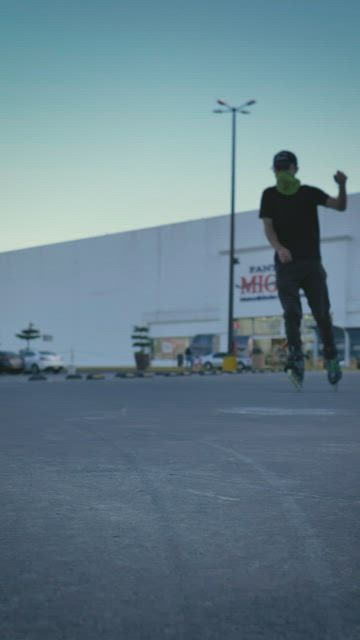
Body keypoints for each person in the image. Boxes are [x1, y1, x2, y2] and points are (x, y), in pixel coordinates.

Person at [259, 150, 347, 389]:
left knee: (321, 313)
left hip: (311, 264)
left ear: (295, 168)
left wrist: (342, 185)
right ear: (274, 171)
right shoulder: (269, 195)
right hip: (286, 265)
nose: (282, 172)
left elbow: (340, 206)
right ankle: (296, 357)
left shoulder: (309, 193)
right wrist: (279, 248)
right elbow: (268, 227)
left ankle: (331, 358)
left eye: (285, 167)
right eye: (277, 168)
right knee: (292, 313)